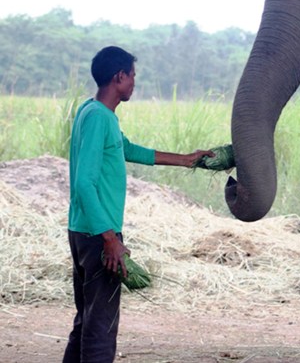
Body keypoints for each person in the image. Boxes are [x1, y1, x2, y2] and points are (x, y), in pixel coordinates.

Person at [63, 46, 214, 363]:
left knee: (86, 322)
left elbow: (128, 149)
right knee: (100, 331)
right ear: (119, 77)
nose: (134, 82)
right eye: (132, 76)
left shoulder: (92, 113)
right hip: (96, 236)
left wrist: (186, 160)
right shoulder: (98, 119)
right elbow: (84, 184)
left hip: (82, 232)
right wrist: (110, 240)